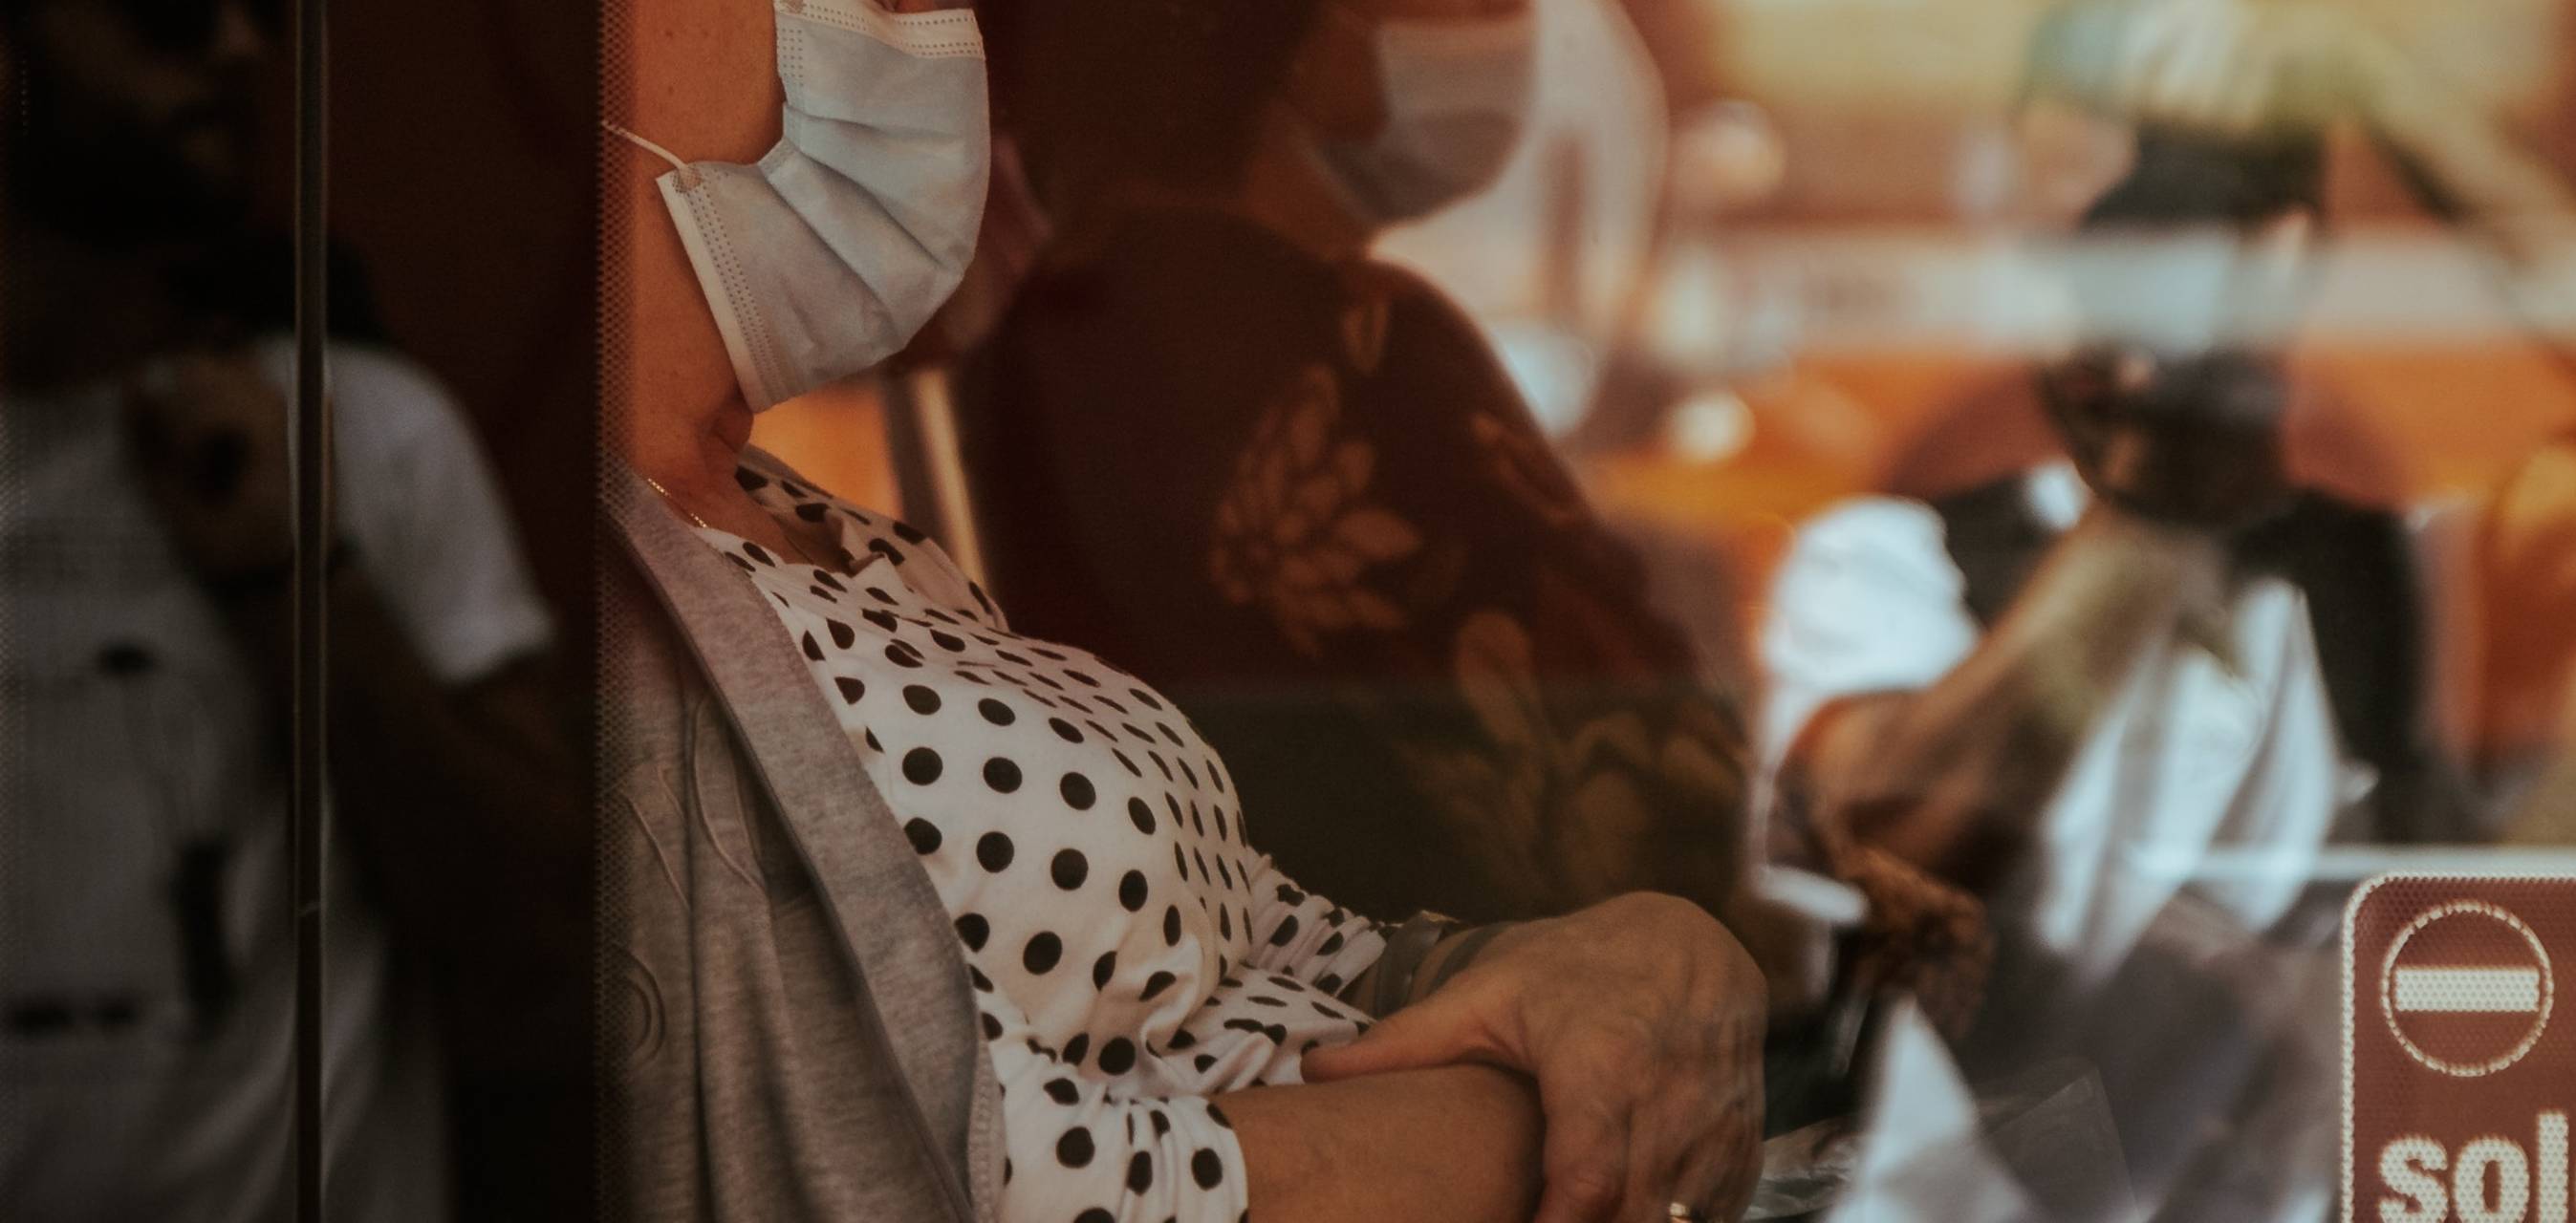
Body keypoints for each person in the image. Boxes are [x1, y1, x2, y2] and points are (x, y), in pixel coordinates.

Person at [598, 1, 1767, 1220]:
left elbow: (1244, 932)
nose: (926, 20)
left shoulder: (817, 527)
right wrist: (1550, 1123)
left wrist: (1557, 971)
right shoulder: (599, 609)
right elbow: (946, 1172)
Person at [1756, 0, 2576, 1214]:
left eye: (2169, 224)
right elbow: (1900, 856)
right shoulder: (1890, 563)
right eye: (2073, 227)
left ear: (2282, 254)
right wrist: (2160, 504)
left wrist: (2377, 79)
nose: (2107, 274)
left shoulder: (2403, 591)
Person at [949, 0, 1969, 1023]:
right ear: (1305, 48)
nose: (1515, 29)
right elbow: (1653, 790)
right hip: (1505, 1025)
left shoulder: (1032, 339)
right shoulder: (1358, 346)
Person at [0, 0, 579, 1218]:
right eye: (167, 9)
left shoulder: (357, 432)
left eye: (261, 7)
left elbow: (552, 942)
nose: (239, 44)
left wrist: (300, 586)